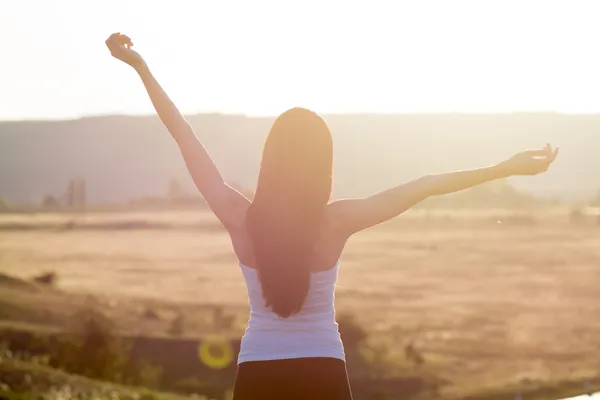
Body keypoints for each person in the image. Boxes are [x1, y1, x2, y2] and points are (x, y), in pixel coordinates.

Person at [105, 33, 560, 400]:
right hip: (322, 368)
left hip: (258, 371)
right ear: (322, 167)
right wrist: (504, 168)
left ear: (270, 161)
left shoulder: (239, 217)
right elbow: (426, 184)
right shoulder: (336, 222)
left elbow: (183, 135)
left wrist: (141, 67)